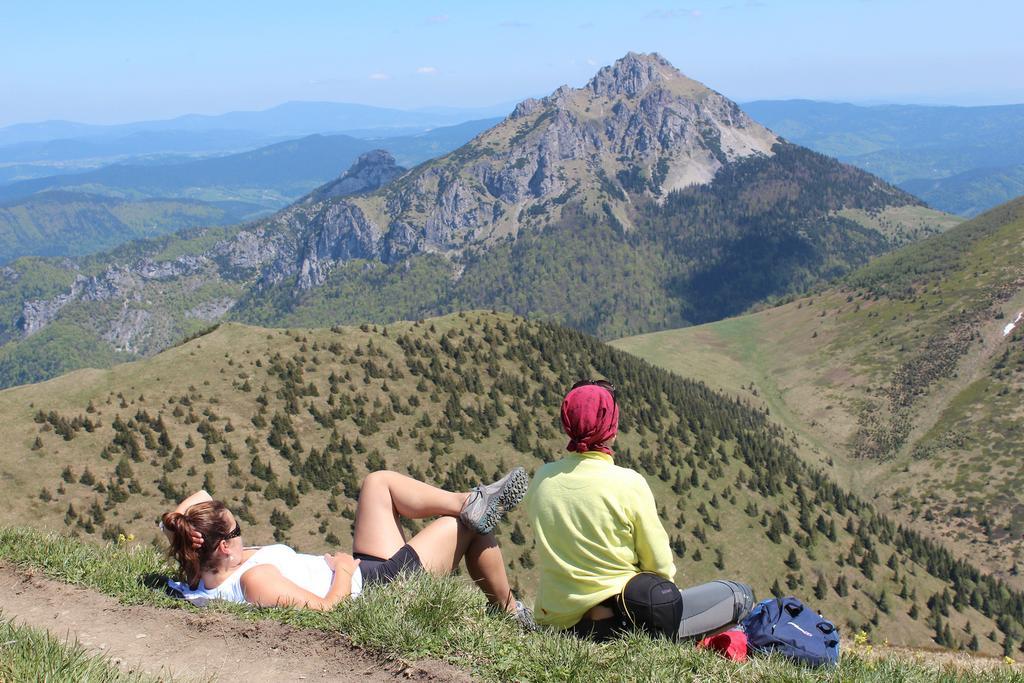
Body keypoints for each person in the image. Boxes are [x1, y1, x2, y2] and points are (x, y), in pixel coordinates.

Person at [524, 380, 755, 641]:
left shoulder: (542, 479)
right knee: (739, 594)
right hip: (621, 621)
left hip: (555, 621)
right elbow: (660, 569)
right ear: (611, 428)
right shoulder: (628, 483)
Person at [160, 467, 533, 625]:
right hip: (379, 586)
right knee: (465, 528)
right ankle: (510, 611)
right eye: (236, 529)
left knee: (378, 483)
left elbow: (194, 502)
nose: (243, 532)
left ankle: (469, 499)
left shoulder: (198, 566)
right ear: (223, 547)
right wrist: (342, 568)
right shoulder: (255, 580)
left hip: (363, 572)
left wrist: (175, 524)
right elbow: (325, 610)